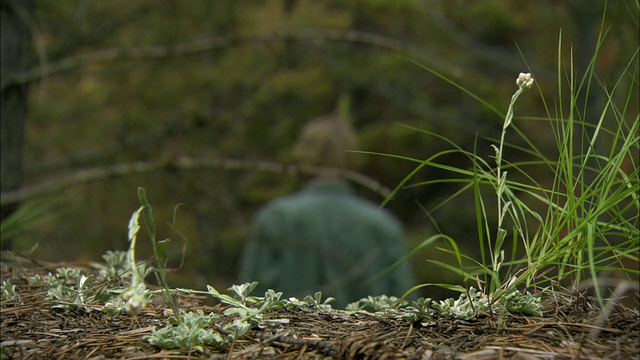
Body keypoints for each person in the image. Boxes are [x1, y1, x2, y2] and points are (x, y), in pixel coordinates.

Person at [238, 115, 415, 308]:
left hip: (283, 337)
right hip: (373, 338)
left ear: (303, 153)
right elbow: (406, 305)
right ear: (350, 157)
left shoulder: (275, 218)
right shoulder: (383, 226)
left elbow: (248, 302)